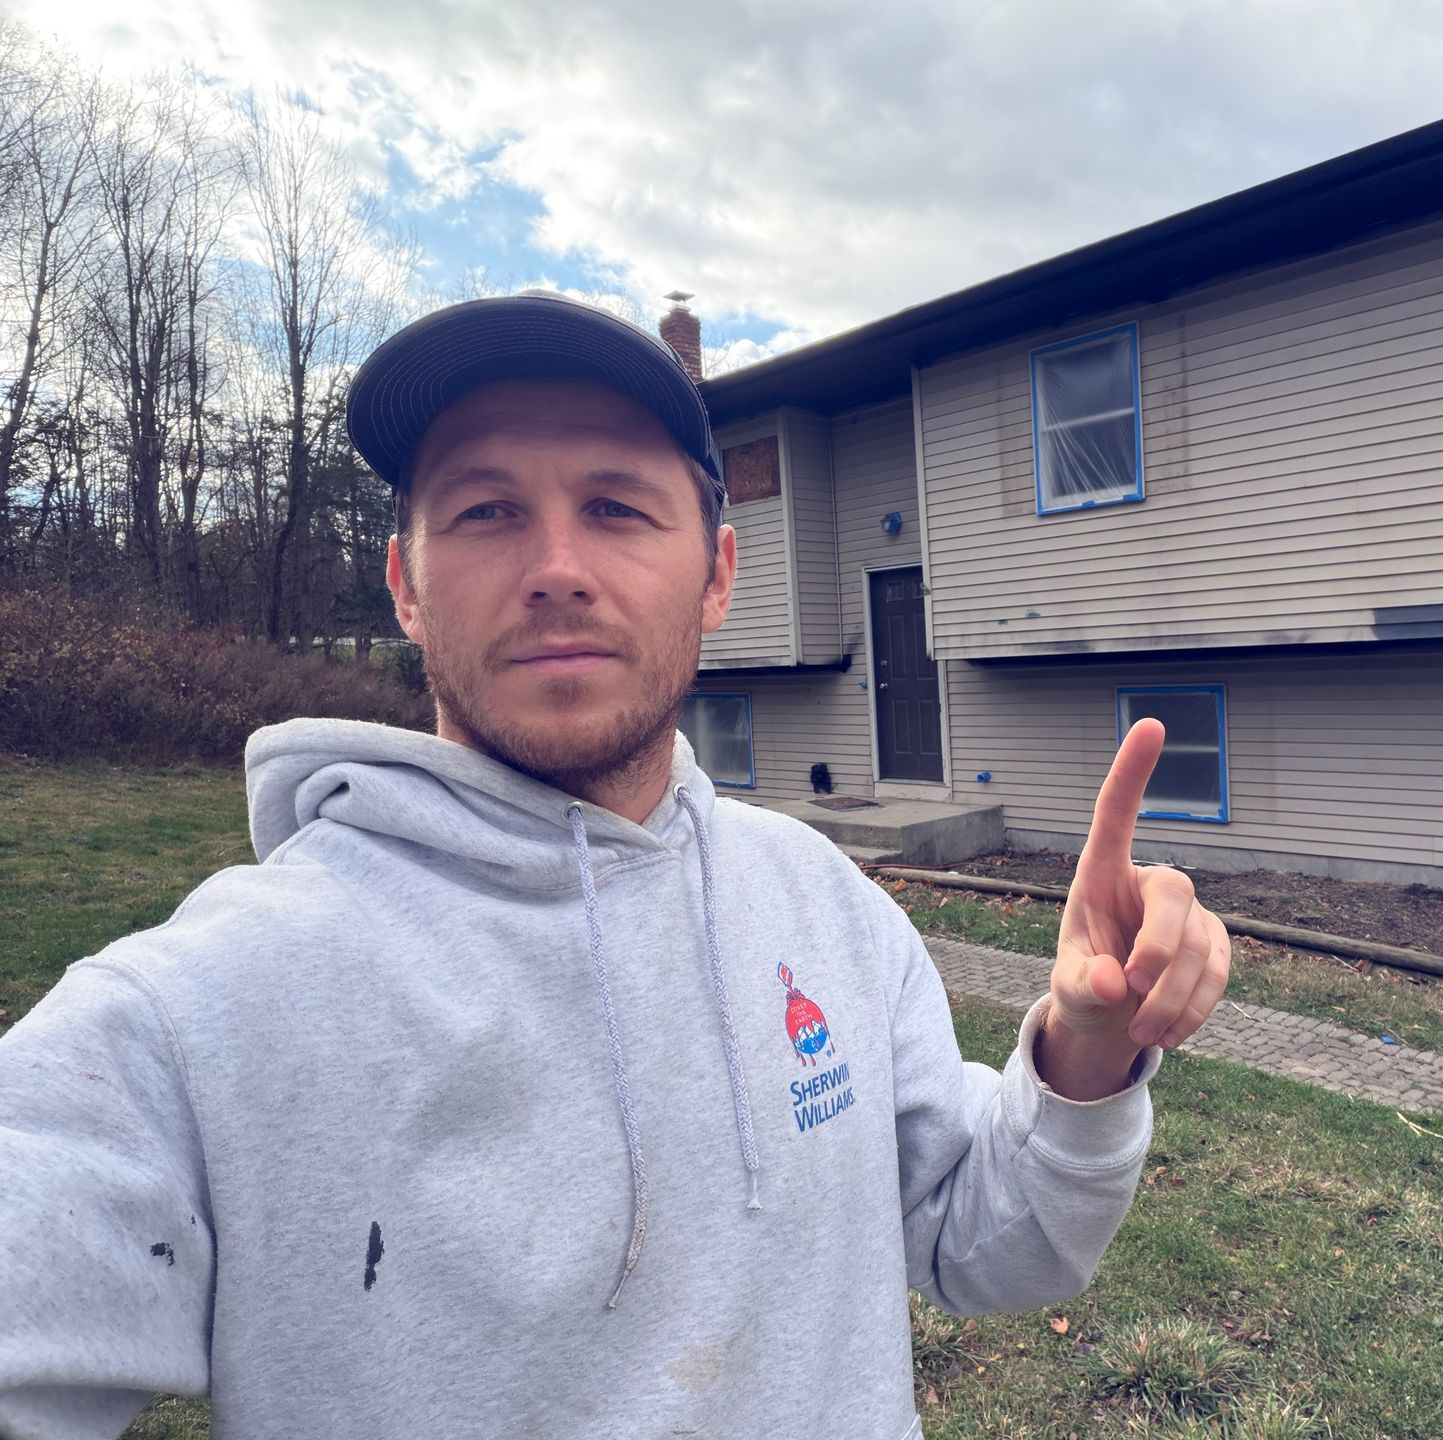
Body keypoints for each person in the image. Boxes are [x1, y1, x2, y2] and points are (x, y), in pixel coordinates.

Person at [0, 292, 1231, 1439]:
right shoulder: (198, 1011)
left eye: (617, 507)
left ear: (718, 576)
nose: (556, 567)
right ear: (405, 588)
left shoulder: (828, 909)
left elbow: (988, 1247)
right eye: (485, 511)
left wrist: (1083, 1057)